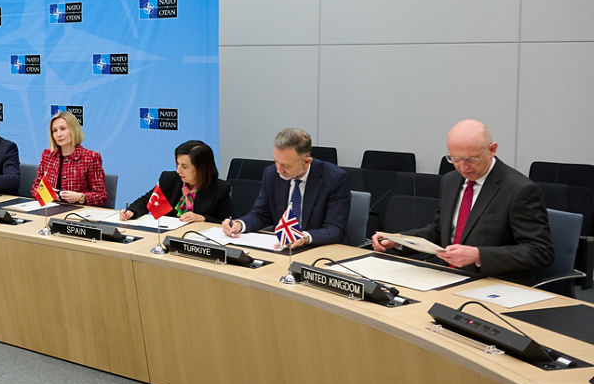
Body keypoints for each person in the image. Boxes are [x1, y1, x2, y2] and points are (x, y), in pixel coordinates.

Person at [372, 119, 553, 282]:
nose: (463, 167)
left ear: (492, 149)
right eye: (455, 159)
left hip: (491, 282)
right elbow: (439, 231)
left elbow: (540, 251)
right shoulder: (450, 181)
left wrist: (478, 255)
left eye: (471, 159)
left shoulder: (519, 189)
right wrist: (399, 240)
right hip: (446, 276)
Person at [221, 127, 349, 249]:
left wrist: (304, 238)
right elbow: (261, 214)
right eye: (276, 161)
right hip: (282, 247)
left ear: (306, 162)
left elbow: (335, 229)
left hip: (317, 249)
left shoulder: (334, 178)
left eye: (285, 165)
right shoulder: (271, 174)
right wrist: (239, 224)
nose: (278, 170)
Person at [123, 139, 233, 222]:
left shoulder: (219, 189)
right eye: (178, 164)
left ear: (201, 168)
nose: (178, 170)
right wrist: (132, 211)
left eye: (184, 167)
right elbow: (147, 201)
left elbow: (227, 223)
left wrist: (203, 218)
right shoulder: (170, 179)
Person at [29, 110, 107, 206]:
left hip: (77, 213)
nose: (58, 134)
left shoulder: (90, 157)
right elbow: (35, 188)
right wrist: (47, 194)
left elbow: (101, 195)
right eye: (55, 130)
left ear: (73, 130)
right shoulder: (47, 155)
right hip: (50, 209)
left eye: (63, 129)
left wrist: (80, 197)